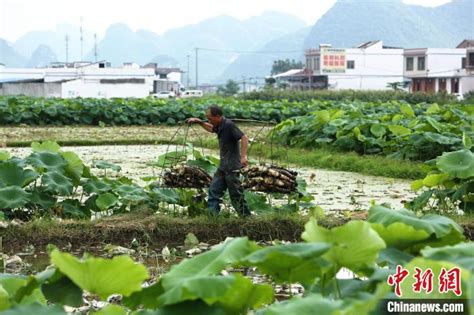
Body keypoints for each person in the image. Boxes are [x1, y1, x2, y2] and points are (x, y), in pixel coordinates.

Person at [186, 105, 251, 217]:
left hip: (232, 167)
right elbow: (211, 129)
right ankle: (213, 218)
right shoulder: (219, 125)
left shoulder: (229, 125)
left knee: (236, 195)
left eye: (210, 118)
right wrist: (200, 122)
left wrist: (244, 156)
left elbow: (244, 137)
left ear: (218, 116)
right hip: (223, 166)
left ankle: (246, 218)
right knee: (213, 191)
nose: (209, 120)